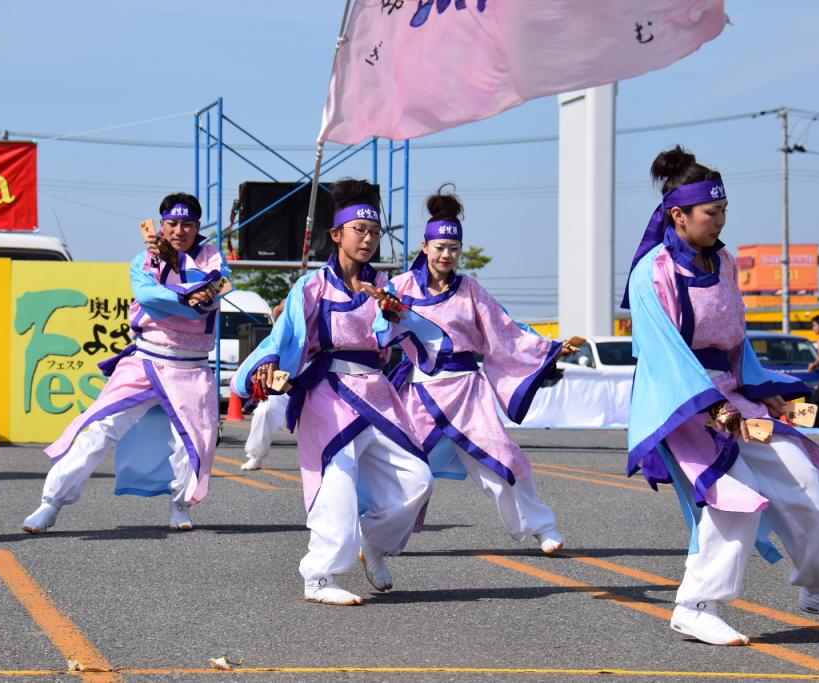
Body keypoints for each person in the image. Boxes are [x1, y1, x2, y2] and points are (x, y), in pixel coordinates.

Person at [624, 146, 819, 647]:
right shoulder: (654, 270)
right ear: (679, 214)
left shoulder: (726, 263)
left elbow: (737, 338)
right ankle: (694, 607)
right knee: (731, 500)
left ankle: (817, 589)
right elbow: (664, 352)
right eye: (712, 213)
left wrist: (765, 393)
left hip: (736, 400)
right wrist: (715, 407)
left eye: (723, 212)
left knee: (808, 482)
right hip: (684, 406)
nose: (720, 221)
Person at [232, 179, 433, 606]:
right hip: (328, 392)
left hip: (377, 392)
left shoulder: (390, 287)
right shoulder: (311, 287)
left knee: (418, 479)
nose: (367, 238)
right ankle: (319, 577)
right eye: (359, 229)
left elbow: (415, 335)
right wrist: (267, 365)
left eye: (374, 232)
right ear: (337, 235)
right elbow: (280, 338)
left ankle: (373, 545)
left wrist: (396, 315)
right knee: (335, 484)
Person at [377, 187, 572, 554]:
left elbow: (505, 330)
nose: (446, 255)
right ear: (424, 246)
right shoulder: (399, 287)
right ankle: (381, 537)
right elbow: (380, 333)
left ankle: (543, 527)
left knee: (502, 456)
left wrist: (549, 348)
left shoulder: (470, 289)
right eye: (439, 247)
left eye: (453, 249)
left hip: (468, 390)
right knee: (404, 466)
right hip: (421, 390)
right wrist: (386, 317)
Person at [22, 193, 228, 534]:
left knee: (193, 439)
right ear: (161, 225)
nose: (180, 230)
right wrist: (187, 297)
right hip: (146, 358)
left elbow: (218, 285)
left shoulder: (211, 257)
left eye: (188, 224)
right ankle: (51, 502)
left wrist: (202, 292)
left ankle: (180, 505)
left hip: (191, 366)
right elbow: (149, 297)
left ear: (197, 227)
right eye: (173, 224)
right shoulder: (144, 260)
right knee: (99, 427)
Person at [241, 298, 288, 471]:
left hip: (317, 387)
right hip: (286, 386)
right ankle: (256, 456)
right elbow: (278, 311)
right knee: (263, 411)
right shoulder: (282, 332)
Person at [806, 315, 819, 427]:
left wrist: (813, 364)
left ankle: (813, 423)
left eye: (814, 325)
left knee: (817, 400)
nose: (813, 328)